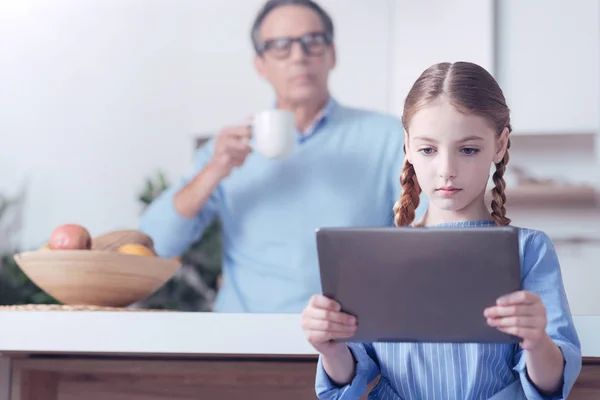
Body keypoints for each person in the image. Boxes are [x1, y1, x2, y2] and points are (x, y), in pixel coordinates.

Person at [301, 61, 582, 399]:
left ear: (500, 144)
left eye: (468, 149)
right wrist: (329, 346)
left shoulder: (529, 250)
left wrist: (537, 341)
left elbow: (551, 385)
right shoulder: (374, 256)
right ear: (407, 146)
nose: (446, 170)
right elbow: (350, 373)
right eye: (428, 149)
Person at [139, 0, 427, 313]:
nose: (298, 56)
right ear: (260, 65)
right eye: (280, 46)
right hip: (244, 341)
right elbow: (155, 243)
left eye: (312, 41)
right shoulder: (227, 151)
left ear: (332, 54)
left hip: (351, 340)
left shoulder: (388, 137)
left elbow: (431, 235)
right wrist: (213, 170)